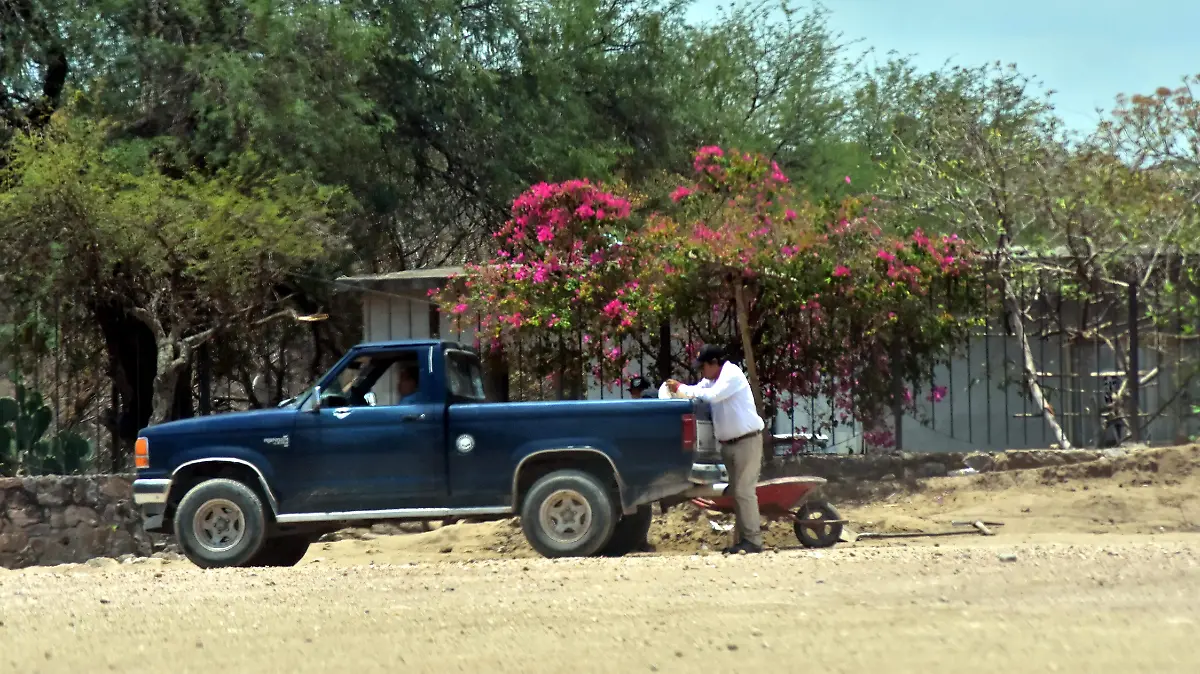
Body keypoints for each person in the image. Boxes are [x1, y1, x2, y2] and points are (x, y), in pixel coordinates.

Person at [666, 344, 765, 554]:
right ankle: (744, 541)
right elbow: (697, 392)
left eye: (703, 367)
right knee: (737, 493)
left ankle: (753, 541)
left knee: (744, 492)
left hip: (747, 441)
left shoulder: (732, 374)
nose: (702, 372)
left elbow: (711, 396)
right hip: (729, 444)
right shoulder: (710, 380)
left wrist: (681, 388)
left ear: (714, 363)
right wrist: (678, 390)